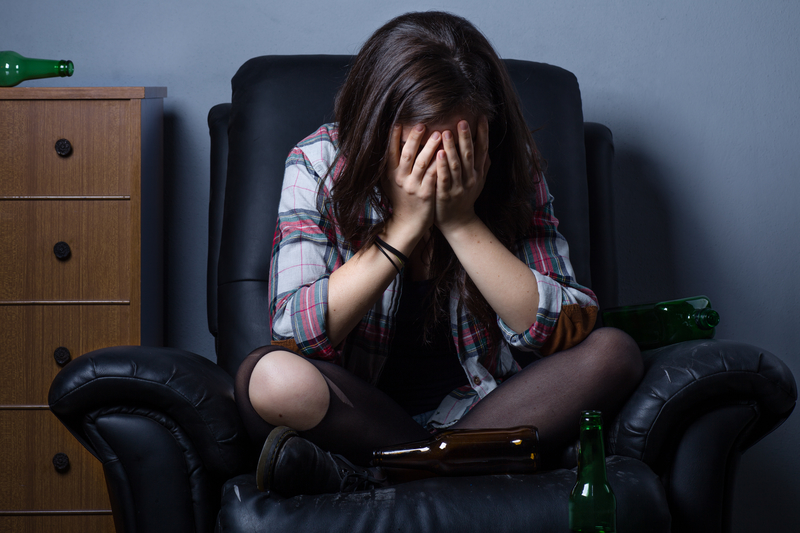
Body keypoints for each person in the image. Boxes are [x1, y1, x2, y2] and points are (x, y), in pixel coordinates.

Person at [234, 10, 643, 497]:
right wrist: (403, 229)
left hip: (484, 409)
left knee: (613, 353)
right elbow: (294, 337)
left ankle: (391, 473)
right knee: (272, 378)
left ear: (487, 131)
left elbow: (568, 327)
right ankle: (455, 467)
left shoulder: (509, 166)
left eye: (459, 146)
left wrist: (460, 221)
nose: (439, 167)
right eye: (420, 149)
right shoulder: (319, 162)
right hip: (359, 415)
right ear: (376, 128)